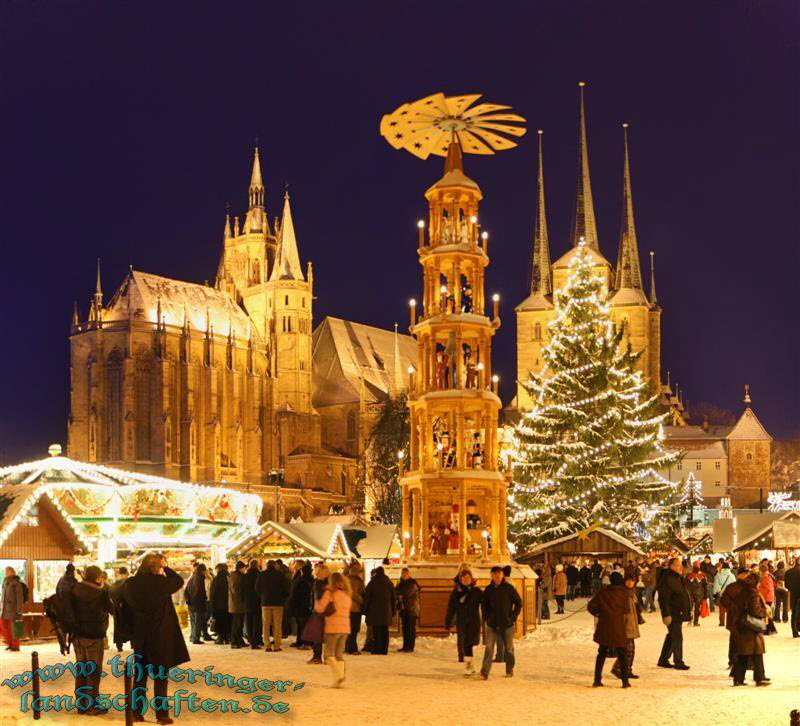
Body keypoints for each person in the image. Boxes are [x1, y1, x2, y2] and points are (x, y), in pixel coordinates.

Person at [123, 554, 189, 725]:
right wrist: (165, 567)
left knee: (140, 676)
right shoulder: (161, 583)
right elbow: (178, 581)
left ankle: (137, 712)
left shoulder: (131, 584)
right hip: (159, 636)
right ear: (156, 567)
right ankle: (161, 715)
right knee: (160, 677)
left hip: (140, 636)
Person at [70, 565, 114, 714]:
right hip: (95, 636)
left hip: (77, 636)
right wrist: (105, 589)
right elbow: (112, 609)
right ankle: (92, 705)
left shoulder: (75, 589)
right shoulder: (101, 593)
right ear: (97, 577)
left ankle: (81, 704)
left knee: (81, 670)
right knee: (93, 672)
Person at [587, 571, 631, 688]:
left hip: (604, 625)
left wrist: (598, 613)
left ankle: (597, 679)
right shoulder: (623, 594)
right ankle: (625, 681)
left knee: (601, 653)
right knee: (622, 654)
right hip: (618, 626)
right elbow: (626, 610)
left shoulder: (603, 592)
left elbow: (590, 606)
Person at [479, 565, 521, 679]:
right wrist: (487, 617)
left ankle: (509, 669)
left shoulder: (509, 588)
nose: (496, 576)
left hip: (507, 624)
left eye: (498, 574)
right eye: (494, 575)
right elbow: (484, 605)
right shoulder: (488, 590)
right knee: (489, 647)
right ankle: (485, 671)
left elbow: (518, 602)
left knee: (509, 648)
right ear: (491, 576)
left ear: (502, 575)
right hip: (492, 624)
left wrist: (512, 617)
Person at [730, 572, 771, 686]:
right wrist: (765, 612)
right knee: (756, 652)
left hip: (743, 625)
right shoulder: (753, 594)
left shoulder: (742, 592)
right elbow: (755, 610)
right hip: (751, 626)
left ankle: (739, 678)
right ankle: (759, 677)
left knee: (745, 652)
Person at [315, 572, 352, 688]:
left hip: (333, 626)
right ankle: (339, 681)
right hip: (345, 627)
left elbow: (320, 608)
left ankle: (339, 676)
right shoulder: (347, 594)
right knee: (339, 654)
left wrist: (317, 601)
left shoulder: (330, 593)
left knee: (328, 654)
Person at [445, 568, 482, 676]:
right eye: (464, 578)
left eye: (468, 578)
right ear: (460, 579)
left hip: (474, 621)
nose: (466, 580)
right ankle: (469, 666)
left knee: (472, 642)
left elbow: (485, 603)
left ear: (471, 579)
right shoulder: (456, 592)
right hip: (462, 621)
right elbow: (451, 608)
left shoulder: (476, 591)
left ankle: (469, 665)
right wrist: (448, 621)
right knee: (466, 644)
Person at [656, 556, 691, 670]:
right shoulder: (668, 578)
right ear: (671, 566)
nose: (679, 567)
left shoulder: (677, 577)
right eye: (677, 565)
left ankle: (663, 659)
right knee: (676, 636)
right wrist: (666, 614)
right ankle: (678, 661)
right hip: (673, 612)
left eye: (680, 565)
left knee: (672, 636)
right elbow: (664, 598)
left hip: (677, 611)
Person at [612, 573, 641, 681]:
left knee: (631, 650)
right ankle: (619, 668)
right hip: (624, 623)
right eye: (628, 580)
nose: (630, 583)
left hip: (632, 622)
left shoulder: (632, 593)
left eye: (632, 581)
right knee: (627, 650)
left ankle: (627, 669)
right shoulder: (622, 593)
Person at [257, 560, 290, 651]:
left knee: (266, 625)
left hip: (265, 603)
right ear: (275, 566)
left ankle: (267, 645)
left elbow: (257, 588)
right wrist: (282, 597)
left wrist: (263, 596)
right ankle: (277, 645)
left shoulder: (262, 574)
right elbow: (286, 588)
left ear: (267, 566)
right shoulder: (280, 575)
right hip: (278, 603)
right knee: (277, 625)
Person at [363, 566, 395, 655]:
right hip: (386, 612)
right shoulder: (389, 583)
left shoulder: (372, 583)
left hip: (374, 612)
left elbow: (367, 598)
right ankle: (384, 649)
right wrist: (393, 611)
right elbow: (393, 598)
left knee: (376, 631)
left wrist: (365, 610)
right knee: (385, 631)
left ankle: (377, 649)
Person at [308, 563, 330, 664]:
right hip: (328, 611)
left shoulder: (318, 583)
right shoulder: (329, 582)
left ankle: (317, 657)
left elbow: (318, 597)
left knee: (317, 635)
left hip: (319, 611)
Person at [289, 562, 314, 650]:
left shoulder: (300, 581)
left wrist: (292, 605)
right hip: (309, 606)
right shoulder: (312, 580)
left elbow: (294, 594)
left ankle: (304, 642)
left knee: (301, 625)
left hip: (300, 606)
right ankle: (304, 641)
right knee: (306, 624)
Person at [395, 568, 420, 652]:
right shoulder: (400, 583)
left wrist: (400, 595)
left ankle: (410, 647)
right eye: (403, 573)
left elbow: (407, 593)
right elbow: (395, 592)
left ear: (409, 574)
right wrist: (399, 595)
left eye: (406, 573)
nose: (404, 575)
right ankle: (405, 646)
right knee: (405, 628)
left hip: (411, 609)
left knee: (410, 629)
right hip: (404, 609)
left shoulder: (412, 583)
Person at [1, 566, 25, 652]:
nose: (5, 572)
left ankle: (15, 646)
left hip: (13, 610)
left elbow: (20, 597)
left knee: (14, 628)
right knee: (4, 626)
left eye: (7, 571)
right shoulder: (5, 582)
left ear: (11, 572)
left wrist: (19, 611)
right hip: (4, 610)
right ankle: (10, 644)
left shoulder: (16, 582)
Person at [184, 564, 208, 645]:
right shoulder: (199, 578)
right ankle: (196, 639)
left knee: (193, 622)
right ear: (203, 570)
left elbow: (186, 591)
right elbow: (199, 591)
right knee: (198, 622)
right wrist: (204, 597)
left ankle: (192, 637)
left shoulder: (191, 578)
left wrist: (188, 601)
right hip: (198, 604)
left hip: (191, 604)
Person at [344, 561, 366, 654]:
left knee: (348, 630)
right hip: (354, 609)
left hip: (346, 608)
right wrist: (362, 601)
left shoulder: (345, 579)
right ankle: (352, 649)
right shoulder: (355, 581)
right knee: (354, 629)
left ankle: (347, 647)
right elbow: (354, 594)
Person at [109, 567, 132, 652]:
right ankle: (133, 644)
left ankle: (119, 646)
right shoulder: (128, 583)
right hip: (128, 609)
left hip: (116, 609)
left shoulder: (114, 584)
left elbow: (110, 596)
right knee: (131, 626)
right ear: (126, 573)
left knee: (118, 627)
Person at [243, 560, 263, 649]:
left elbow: (241, 590)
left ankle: (250, 639)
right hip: (257, 602)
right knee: (257, 622)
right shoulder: (260, 575)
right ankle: (257, 639)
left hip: (247, 602)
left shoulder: (245, 576)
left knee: (249, 622)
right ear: (257, 565)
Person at [209, 563, 230, 645]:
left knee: (219, 620)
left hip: (218, 604)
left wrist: (212, 604)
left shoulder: (217, 579)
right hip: (228, 604)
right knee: (227, 620)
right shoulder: (228, 578)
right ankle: (226, 637)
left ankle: (220, 637)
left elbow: (213, 593)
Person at [713, 561, 736, 627]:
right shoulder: (732, 576)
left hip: (722, 594)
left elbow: (716, 585)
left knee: (722, 609)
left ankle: (722, 623)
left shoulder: (718, 575)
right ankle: (730, 622)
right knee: (730, 609)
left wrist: (714, 592)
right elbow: (734, 585)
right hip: (730, 595)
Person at [758, 562, 777, 635]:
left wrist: (760, 592)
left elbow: (768, 588)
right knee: (766, 614)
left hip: (766, 598)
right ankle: (770, 629)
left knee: (766, 614)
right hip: (768, 597)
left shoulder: (766, 577)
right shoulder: (767, 576)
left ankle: (770, 629)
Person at [785, 558, 800, 638]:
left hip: (793, 595)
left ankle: (794, 632)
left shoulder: (788, 572)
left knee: (794, 614)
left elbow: (786, 585)